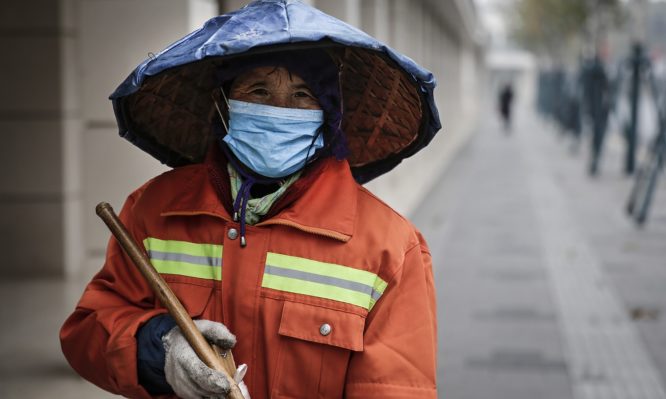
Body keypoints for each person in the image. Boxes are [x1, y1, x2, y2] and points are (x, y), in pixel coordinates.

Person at [60, 1, 440, 398]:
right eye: (258, 90)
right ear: (224, 106)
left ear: (328, 115)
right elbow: (87, 330)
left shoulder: (392, 249)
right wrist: (160, 349)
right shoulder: (152, 209)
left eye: (303, 95)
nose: (280, 110)